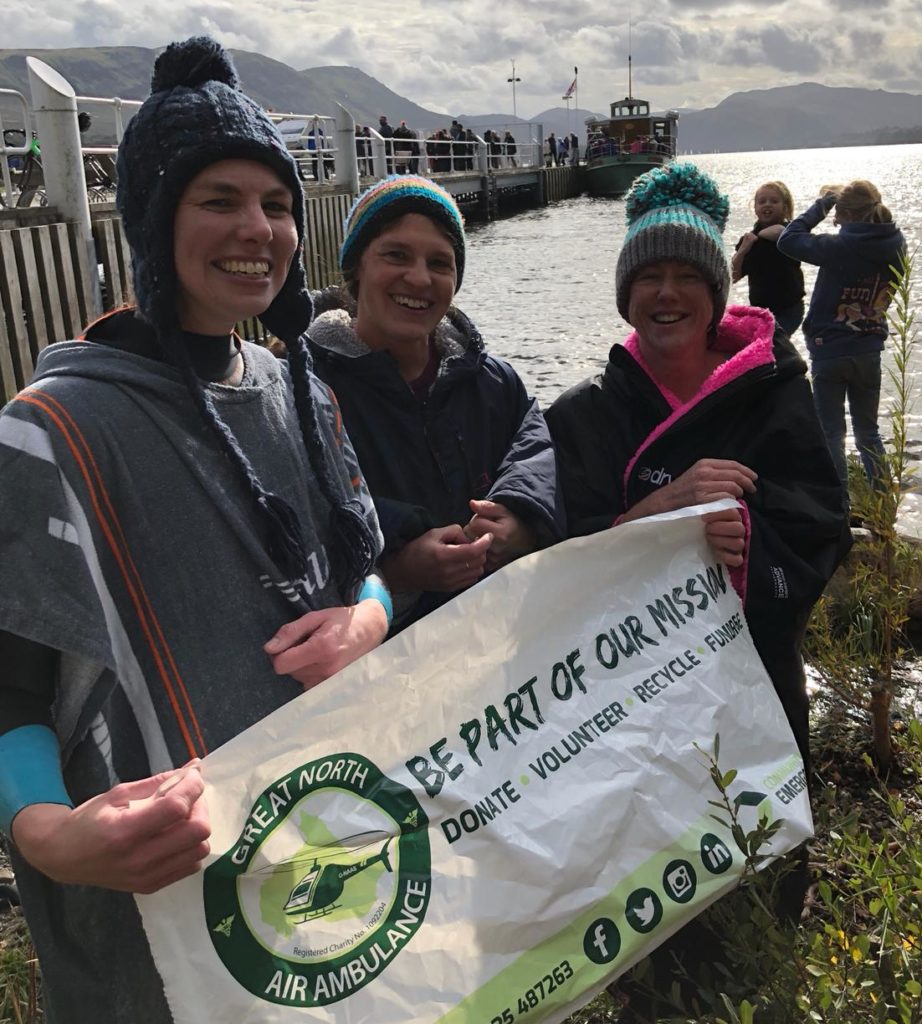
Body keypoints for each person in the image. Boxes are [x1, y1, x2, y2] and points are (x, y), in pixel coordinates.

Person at [0, 37, 390, 1024]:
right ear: (151, 219)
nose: (254, 228)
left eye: (275, 204)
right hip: (153, 899)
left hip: (315, 850)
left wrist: (365, 627)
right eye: (217, 199)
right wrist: (47, 834)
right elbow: (13, 687)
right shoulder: (47, 429)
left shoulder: (302, 391)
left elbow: (370, 570)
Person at [545, 163, 850, 1017]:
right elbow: (555, 577)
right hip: (631, 715)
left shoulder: (779, 392)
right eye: (649, 277)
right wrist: (656, 515)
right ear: (624, 293)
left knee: (763, 903)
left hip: (756, 685)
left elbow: (823, 519)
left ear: (720, 290)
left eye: (687, 275)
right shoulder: (582, 414)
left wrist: (749, 540)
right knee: (652, 933)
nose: (668, 293)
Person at [306, 175, 565, 634]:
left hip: (496, 643)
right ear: (356, 268)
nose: (420, 278)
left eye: (440, 263)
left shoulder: (492, 380)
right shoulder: (306, 390)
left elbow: (533, 446)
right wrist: (398, 566)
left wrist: (521, 519)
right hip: (390, 659)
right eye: (396, 255)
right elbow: (305, 509)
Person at [777, 181, 906, 501]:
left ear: (846, 213)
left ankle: (840, 509)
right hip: (869, 350)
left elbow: (787, 239)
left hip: (829, 351)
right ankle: (884, 507)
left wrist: (821, 205)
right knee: (869, 434)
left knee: (832, 434)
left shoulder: (839, 247)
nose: (834, 220)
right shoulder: (897, 243)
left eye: (837, 213)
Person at [731, 180, 805, 337]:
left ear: (785, 206)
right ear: (755, 208)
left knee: (775, 342)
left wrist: (757, 237)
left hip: (789, 308)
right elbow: (733, 275)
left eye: (774, 201)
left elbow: (777, 231)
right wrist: (743, 250)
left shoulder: (790, 231)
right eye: (762, 201)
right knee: (766, 350)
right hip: (761, 311)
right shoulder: (749, 240)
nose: (767, 205)